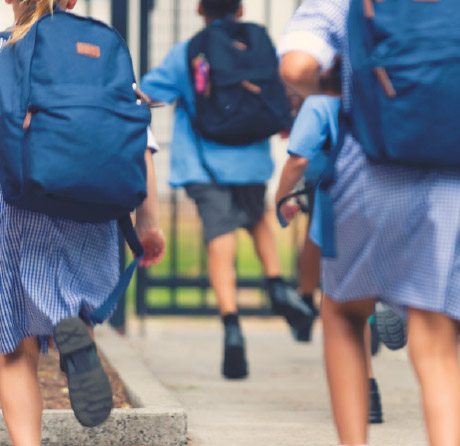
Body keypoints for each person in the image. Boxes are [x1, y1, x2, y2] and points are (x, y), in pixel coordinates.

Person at [278, 1, 460, 444]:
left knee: (344, 311)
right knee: (437, 343)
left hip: (374, 168)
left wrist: (332, 87)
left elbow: (296, 67)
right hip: (458, 177)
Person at [0, 0, 166, 443]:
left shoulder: (4, 52)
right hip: (95, 206)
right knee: (76, 304)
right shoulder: (101, 49)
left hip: (19, 204)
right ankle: (78, 338)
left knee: (13, 349)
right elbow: (139, 138)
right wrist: (148, 222)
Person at [140, 0, 315, 380]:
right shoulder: (258, 46)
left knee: (220, 237)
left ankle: (232, 326)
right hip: (251, 159)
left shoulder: (188, 52)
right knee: (257, 219)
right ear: (241, 10)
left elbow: (149, 93)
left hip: (204, 164)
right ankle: (277, 285)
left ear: (200, 10)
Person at [275, 61, 383, 424]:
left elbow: (298, 159)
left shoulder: (320, 104)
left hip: (343, 200)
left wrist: (281, 197)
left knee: (343, 299)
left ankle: (367, 394)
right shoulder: (383, 94)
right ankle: (389, 304)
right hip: (394, 193)